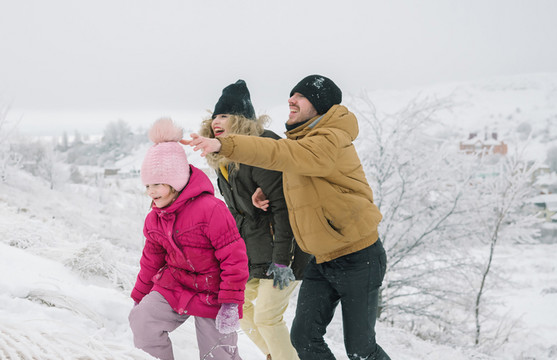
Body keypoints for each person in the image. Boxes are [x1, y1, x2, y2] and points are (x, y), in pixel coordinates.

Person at [182, 75, 391, 360]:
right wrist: (255, 200)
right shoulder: (302, 141)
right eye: (291, 95)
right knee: (303, 340)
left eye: (300, 97)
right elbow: (295, 189)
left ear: (319, 105)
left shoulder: (330, 140)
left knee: (361, 348)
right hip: (321, 257)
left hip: (358, 257)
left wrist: (225, 145)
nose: (290, 100)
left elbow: (284, 154)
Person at [199, 79, 311, 360]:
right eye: (215, 116)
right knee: (238, 309)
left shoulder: (261, 151)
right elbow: (241, 214)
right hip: (254, 252)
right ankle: (276, 356)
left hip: (285, 250)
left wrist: (282, 261)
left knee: (267, 318)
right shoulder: (225, 161)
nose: (216, 121)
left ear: (241, 120)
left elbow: (284, 210)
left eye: (224, 115)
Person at [129, 117, 249, 360]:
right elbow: (150, 262)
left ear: (176, 183)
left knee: (218, 355)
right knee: (142, 323)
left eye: (158, 185)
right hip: (176, 285)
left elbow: (234, 258)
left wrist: (230, 303)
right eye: (148, 185)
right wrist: (139, 298)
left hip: (214, 292)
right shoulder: (155, 218)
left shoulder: (210, 210)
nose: (151, 192)